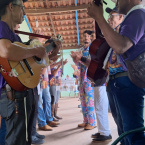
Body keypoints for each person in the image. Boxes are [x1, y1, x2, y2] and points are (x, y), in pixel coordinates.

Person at [87, 0, 145, 145]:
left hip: (128, 83)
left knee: (133, 133)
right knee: (124, 131)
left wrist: (99, 17)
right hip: (121, 82)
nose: (117, 1)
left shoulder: (138, 14)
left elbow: (121, 46)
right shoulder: (132, 17)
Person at [0, 0, 46, 145]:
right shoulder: (1, 27)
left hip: (18, 93)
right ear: (11, 7)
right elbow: (6, 50)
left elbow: (29, 62)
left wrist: (46, 51)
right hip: (11, 96)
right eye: (22, 8)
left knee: (21, 138)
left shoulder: (15, 36)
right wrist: (35, 50)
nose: (24, 13)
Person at [71, 30, 97, 130]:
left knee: (89, 101)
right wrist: (75, 59)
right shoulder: (81, 50)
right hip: (81, 79)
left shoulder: (92, 49)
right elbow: (78, 65)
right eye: (84, 36)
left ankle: (92, 122)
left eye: (88, 36)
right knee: (83, 101)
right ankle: (85, 121)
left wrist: (79, 59)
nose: (86, 38)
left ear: (91, 38)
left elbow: (90, 63)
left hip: (89, 79)